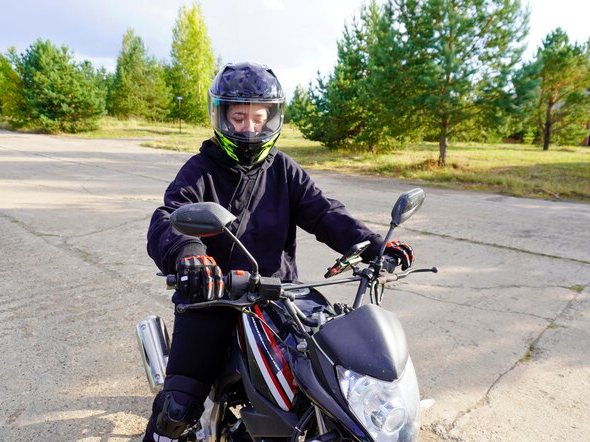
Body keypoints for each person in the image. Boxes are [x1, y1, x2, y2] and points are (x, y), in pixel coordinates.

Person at [143, 61, 415, 442]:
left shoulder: (283, 169)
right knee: (178, 408)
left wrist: (375, 246)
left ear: (273, 117)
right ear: (221, 116)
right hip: (214, 297)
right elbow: (169, 216)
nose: (249, 128)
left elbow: (324, 212)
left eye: (258, 117)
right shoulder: (200, 169)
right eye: (239, 117)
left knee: (335, 382)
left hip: (280, 297)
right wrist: (189, 253)